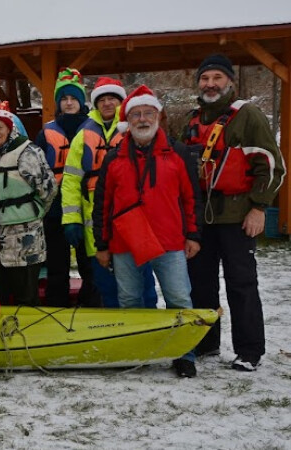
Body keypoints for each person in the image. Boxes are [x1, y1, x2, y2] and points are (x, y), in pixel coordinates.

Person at [183, 54, 285, 371]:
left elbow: (271, 166)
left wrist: (258, 207)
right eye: (205, 78)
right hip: (203, 217)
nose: (210, 84)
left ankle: (249, 351)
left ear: (229, 81)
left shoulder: (248, 116)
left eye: (216, 77)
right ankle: (206, 343)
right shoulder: (192, 120)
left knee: (241, 284)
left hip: (238, 214)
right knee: (200, 284)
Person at [93, 85, 201, 378]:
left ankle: (183, 354)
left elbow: (191, 198)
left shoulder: (178, 153)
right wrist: (101, 244)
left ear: (158, 116)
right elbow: (101, 204)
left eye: (148, 113)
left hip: (169, 243)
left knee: (179, 299)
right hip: (126, 243)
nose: (142, 119)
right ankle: (136, 350)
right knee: (130, 301)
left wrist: (193, 235)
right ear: (128, 120)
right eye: (136, 114)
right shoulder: (114, 158)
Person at [62, 77, 157, 308]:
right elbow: (71, 180)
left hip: (132, 216)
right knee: (104, 283)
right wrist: (71, 219)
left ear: (121, 102)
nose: (107, 104)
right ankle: (114, 327)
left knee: (142, 279)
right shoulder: (83, 136)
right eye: (102, 100)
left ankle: (151, 322)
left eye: (112, 99)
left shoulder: (134, 129)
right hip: (94, 221)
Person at [0, 101, 57, 306]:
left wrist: (31, 213)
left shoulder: (29, 152)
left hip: (24, 239)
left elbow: (48, 189)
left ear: (9, 128)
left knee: (26, 297)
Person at [35, 68, 98, 307]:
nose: (69, 103)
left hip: (87, 207)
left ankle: (91, 306)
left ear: (81, 101)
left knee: (88, 264)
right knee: (57, 266)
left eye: (73, 98)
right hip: (55, 208)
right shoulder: (47, 132)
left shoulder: (94, 128)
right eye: (64, 99)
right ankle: (56, 307)